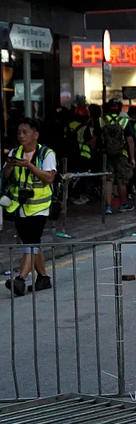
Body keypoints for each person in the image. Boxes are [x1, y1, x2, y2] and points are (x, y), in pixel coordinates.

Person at [3, 118, 58, 296]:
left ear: (36, 134)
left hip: (40, 206)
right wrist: (9, 167)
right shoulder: (15, 152)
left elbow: (49, 178)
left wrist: (30, 166)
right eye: (19, 132)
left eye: (25, 132)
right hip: (20, 206)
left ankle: (21, 279)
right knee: (32, 244)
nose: (21, 135)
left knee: (31, 242)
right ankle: (43, 278)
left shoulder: (46, 154)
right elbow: (5, 176)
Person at [99, 99, 136, 215]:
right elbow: (130, 141)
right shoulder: (125, 121)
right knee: (122, 180)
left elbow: (95, 139)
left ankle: (108, 206)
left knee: (108, 180)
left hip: (106, 155)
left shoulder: (102, 120)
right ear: (120, 109)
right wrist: (132, 158)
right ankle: (123, 204)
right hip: (121, 156)